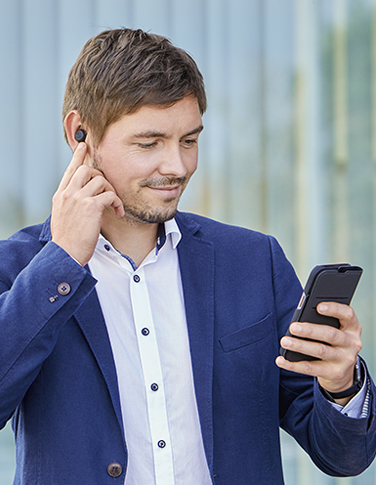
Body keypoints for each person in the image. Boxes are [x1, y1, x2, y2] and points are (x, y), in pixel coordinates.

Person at [0, 28, 375, 485]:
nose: (177, 167)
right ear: (81, 133)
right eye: (149, 143)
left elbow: (344, 458)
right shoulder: (20, 271)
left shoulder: (255, 263)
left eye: (189, 141)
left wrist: (342, 386)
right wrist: (61, 261)